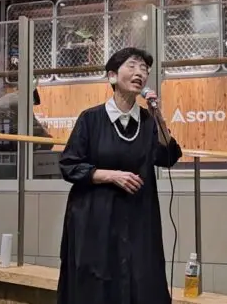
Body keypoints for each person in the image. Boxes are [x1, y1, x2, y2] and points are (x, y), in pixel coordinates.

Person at [57, 47, 182, 304]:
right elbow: (69, 165)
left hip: (138, 216)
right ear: (112, 76)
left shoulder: (148, 121)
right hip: (95, 217)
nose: (140, 73)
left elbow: (168, 157)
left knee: (141, 279)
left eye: (144, 69)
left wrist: (159, 117)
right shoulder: (90, 119)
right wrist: (111, 176)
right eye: (132, 66)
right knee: (97, 283)